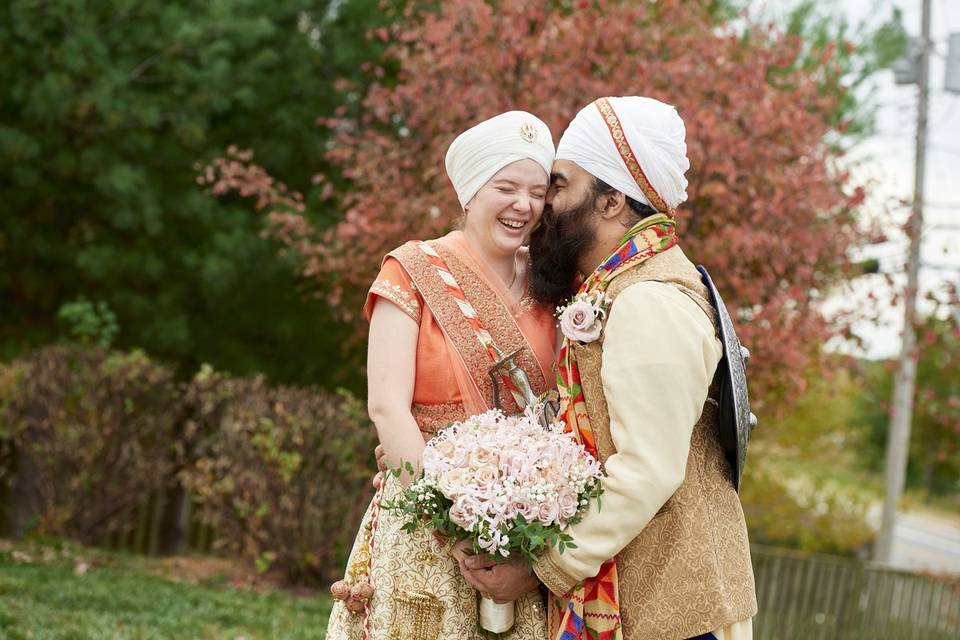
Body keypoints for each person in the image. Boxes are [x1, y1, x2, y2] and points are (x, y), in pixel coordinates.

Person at [458, 96, 758, 640]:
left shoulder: (650, 300)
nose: (544, 203)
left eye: (561, 184)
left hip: (673, 616)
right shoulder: (615, 289)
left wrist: (539, 568)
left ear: (612, 201)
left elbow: (647, 470)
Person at [325, 111, 557, 640]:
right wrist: (451, 527)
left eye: (537, 192)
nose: (524, 205)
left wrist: (526, 535)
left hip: (523, 537)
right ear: (471, 191)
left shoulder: (554, 287)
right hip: (425, 524)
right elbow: (387, 406)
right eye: (506, 187)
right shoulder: (412, 270)